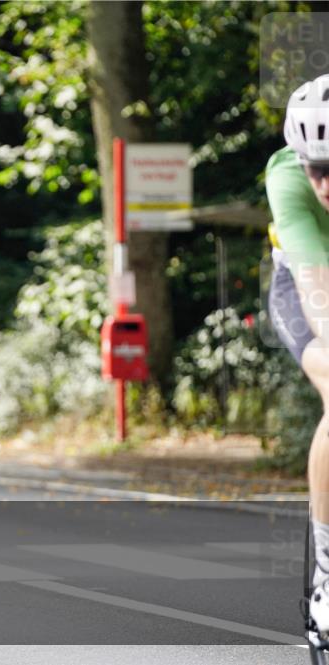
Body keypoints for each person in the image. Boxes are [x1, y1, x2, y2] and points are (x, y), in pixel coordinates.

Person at [265, 74, 329, 639]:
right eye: (317, 167)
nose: (325, 183)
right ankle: (328, 575)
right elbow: (315, 284)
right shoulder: (287, 176)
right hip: (305, 284)